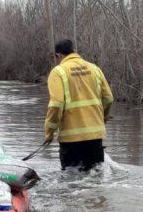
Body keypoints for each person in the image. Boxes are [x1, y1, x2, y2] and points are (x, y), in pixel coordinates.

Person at [44, 39, 114, 171]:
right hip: (95, 136)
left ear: (58, 55)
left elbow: (56, 105)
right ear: (74, 51)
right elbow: (109, 98)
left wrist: (49, 133)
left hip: (71, 139)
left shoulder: (58, 72)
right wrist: (103, 118)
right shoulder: (94, 69)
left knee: (72, 181)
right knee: (95, 177)